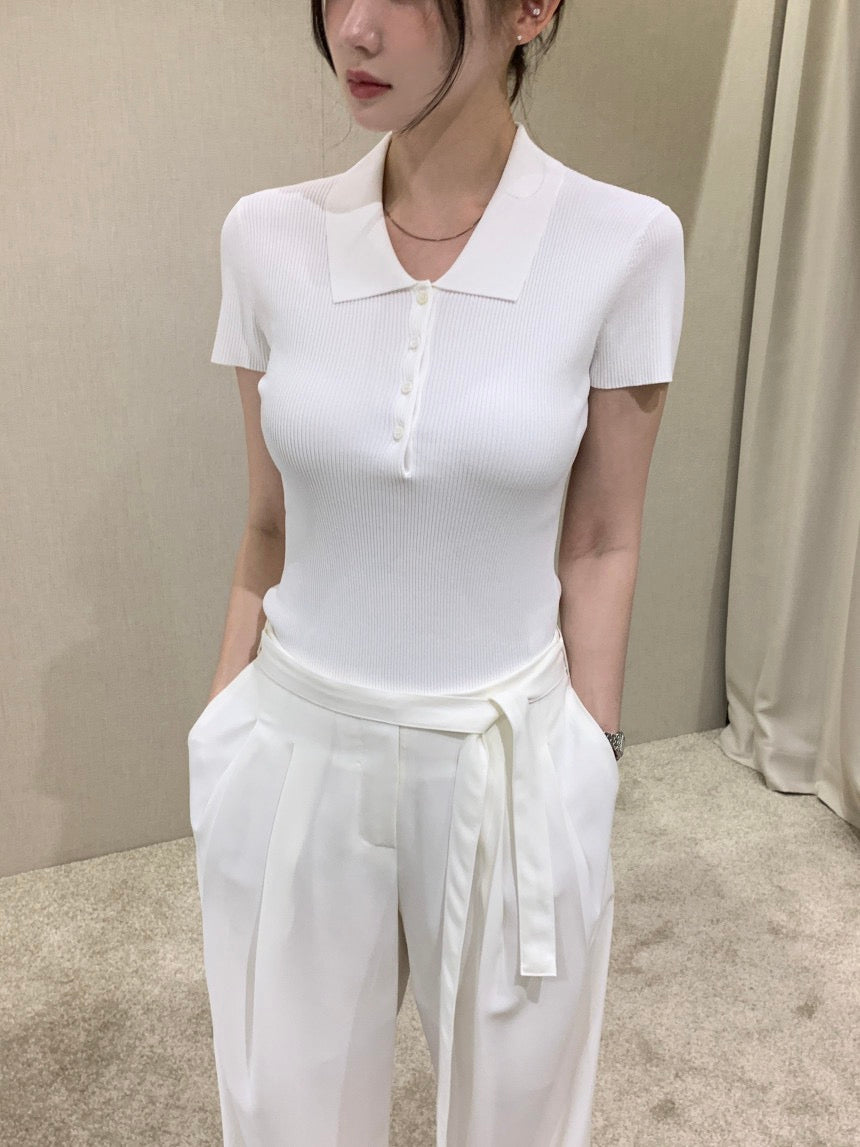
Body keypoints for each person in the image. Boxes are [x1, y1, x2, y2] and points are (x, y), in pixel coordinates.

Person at [187, 0, 685, 1144]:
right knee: (290, 1122)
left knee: (517, 1122)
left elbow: (602, 537)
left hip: (508, 758)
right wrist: (221, 733)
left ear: (529, 10)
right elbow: (267, 519)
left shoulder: (621, 242)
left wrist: (589, 759)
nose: (352, 30)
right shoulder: (266, 237)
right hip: (295, 750)